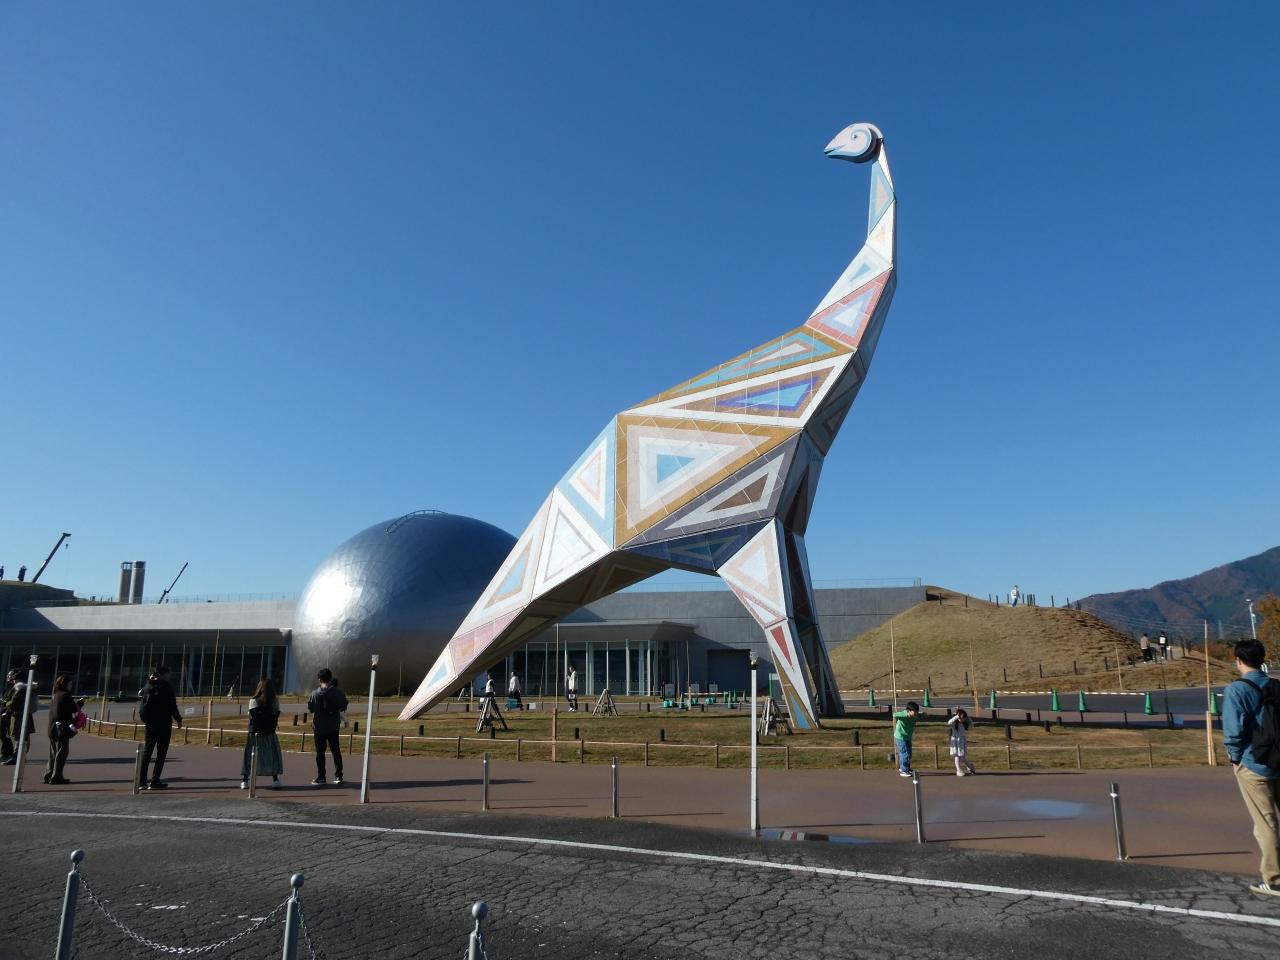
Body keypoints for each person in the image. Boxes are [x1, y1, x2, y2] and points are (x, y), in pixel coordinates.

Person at [1223, 639, 1280, 897]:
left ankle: (1274, 878)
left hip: (1253, 762)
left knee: (1265, 823)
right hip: (1278, 758)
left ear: (1238, 660)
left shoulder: (1237, 690)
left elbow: (1233, 730)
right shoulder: (1274, 685)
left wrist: (1234, 759)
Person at [138, 665, 182, 789]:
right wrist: (178, 719)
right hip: (164, 723)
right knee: (161, 753)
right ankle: (155, 781)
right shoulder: (166, 686)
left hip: (150, 723)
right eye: (168, 674)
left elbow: (143, 703)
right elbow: (172, 705)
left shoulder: (148, 685)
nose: (169, 676)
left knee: (147, 752)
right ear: (163, 674)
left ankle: (141, 781)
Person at [241, 678, 284, 790]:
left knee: (250, 756)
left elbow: (252, 716)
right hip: (270, 733)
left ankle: (245, 780)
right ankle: (275, 779)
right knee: (272, 755)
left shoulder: (253, 700)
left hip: (254, 733)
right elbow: (276, 715)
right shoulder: (274, 701)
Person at [307, 669, 348, 785]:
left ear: (319, 679)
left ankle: (321, 777)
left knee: (320, 752)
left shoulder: (314, 693)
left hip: (319, 726)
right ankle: (338, 776)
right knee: (336, 750)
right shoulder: (337, 692)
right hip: (333, 725)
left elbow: (310, 709)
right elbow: (343, 706)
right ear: (330, 679)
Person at [44, 675, 77, 785]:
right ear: (66, 684)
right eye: (70, 684)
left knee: (53, 753)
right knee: (61, 753)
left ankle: (48, 775)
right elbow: (72, 709)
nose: (71, 686)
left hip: (52, 727)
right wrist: (79, 704)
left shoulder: (55, 695)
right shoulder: (65, 695)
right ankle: (56, 777)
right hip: (62, 728)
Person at [2, 667, 36, 766]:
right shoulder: (25, 688)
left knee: (20, 737)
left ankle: (17, 757)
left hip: (20, 716)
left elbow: (13, 703)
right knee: (22, 737)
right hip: (23, 715)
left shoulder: (20, 689)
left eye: (14, 678)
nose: (13, 680)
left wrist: (6, 703)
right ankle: (19, 756)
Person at [892, 701, 920, 777]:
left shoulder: (915, 715)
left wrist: (924, 714)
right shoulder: (903, 715)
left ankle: (904, 768)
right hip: (900, 737)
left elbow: (921, 714)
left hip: (908, 737)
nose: (916, 713)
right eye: (914, 711)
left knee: (909, 754)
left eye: (917, 711)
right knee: (905, 753)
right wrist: (906, 714)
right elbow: (894, 715)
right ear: (909, 711)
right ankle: (904, 771)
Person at [948, 708, 976, 776]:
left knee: (963, 757)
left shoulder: (964, 724)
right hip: (955, 741)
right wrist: (957, 716)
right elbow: (949, 722)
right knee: (957, 756)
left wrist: (968, 719)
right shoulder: (954, 724)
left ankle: (970, 766)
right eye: (961, 717)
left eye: (964, 718)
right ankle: (958, 770)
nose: (963, 719)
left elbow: (972, 725)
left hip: (962, 741)